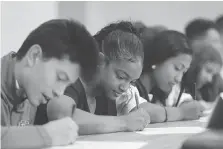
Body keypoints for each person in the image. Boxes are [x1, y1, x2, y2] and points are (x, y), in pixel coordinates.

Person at [35, 21, 151, 135]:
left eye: (131, 82)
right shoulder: (72, 78)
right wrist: (125, 122)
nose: (124, 87)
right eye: (121, 76)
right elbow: (60, 115)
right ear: (101, 61)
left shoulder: (107, 95)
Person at [1, 19, 99, 149]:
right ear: (34, 55)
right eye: (60, 77)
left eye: (67, 85)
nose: (59, 93)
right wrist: (46, 135)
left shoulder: (30, 92)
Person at [126, 30, 205, 122]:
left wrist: (188, 105)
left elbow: (182, 98)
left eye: (184, 72)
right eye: (177, 68)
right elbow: (139, 110)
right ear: (158, 59)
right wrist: (181, 112)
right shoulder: (129, 82)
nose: (178, 78)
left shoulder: (164, 87)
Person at [174, 45, 223, 110]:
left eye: (213, 75)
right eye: (208, 71)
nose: (209, 79)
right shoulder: (178, 81)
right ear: (197, 65)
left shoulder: (215, 81)